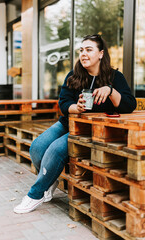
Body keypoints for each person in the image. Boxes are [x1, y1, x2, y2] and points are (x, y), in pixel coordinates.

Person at [14, 34, 136, 214]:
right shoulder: (74, 75)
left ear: (101, 54)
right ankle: (50, 178)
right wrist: (75, 107)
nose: (83, 54)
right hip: (68, 122)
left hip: (89, 130)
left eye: (89, 49)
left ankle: (36, 194)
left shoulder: (114, 77)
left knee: (55, 151)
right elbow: (63, 102)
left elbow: (129, 105)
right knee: (36, 147)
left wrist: (110, 91)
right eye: (81, 50)